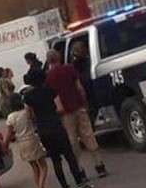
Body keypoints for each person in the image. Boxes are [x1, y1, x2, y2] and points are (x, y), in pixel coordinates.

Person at [23, 70, 90, 188]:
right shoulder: (51, 90)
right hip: (56, 126)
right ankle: (80, 183)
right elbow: (60, 108)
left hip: (43, 129)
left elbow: (29, 115)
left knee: (55, 160)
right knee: (69, 156)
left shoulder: (28, 97)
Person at [45, 50, 107, 179]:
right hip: (78, 107)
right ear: (59, 57)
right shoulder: (69, 69)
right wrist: (84, 102)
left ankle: (79, 170)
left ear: (49, 61)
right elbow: (79, 87)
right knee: (88, 136)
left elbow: (52, 97)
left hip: (65, 113)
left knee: (72, 142)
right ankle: (99, 165)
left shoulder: (48, 77)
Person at [5, 93, 52, 188]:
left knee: (34, 167)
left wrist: (5, 146)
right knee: (43, 165)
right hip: (32, 139)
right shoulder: (26, 111)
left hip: (21, 143)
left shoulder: (10, 117)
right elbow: (34, 118)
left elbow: (8, 134)